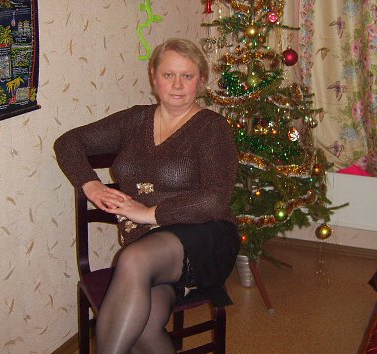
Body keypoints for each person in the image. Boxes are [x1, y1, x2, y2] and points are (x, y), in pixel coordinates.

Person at [54, 38, 240, 354]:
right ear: (154, 77)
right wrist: (91, 185)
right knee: (143, 325)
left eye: (187, 76)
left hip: (204, 235)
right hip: (147, 243)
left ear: (201, 80)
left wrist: (148, 213)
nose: (177, 85)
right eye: (168, 75)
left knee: (134, 259)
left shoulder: (211, 127)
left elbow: (215, 200)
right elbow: (68, 143)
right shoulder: (135, 120)